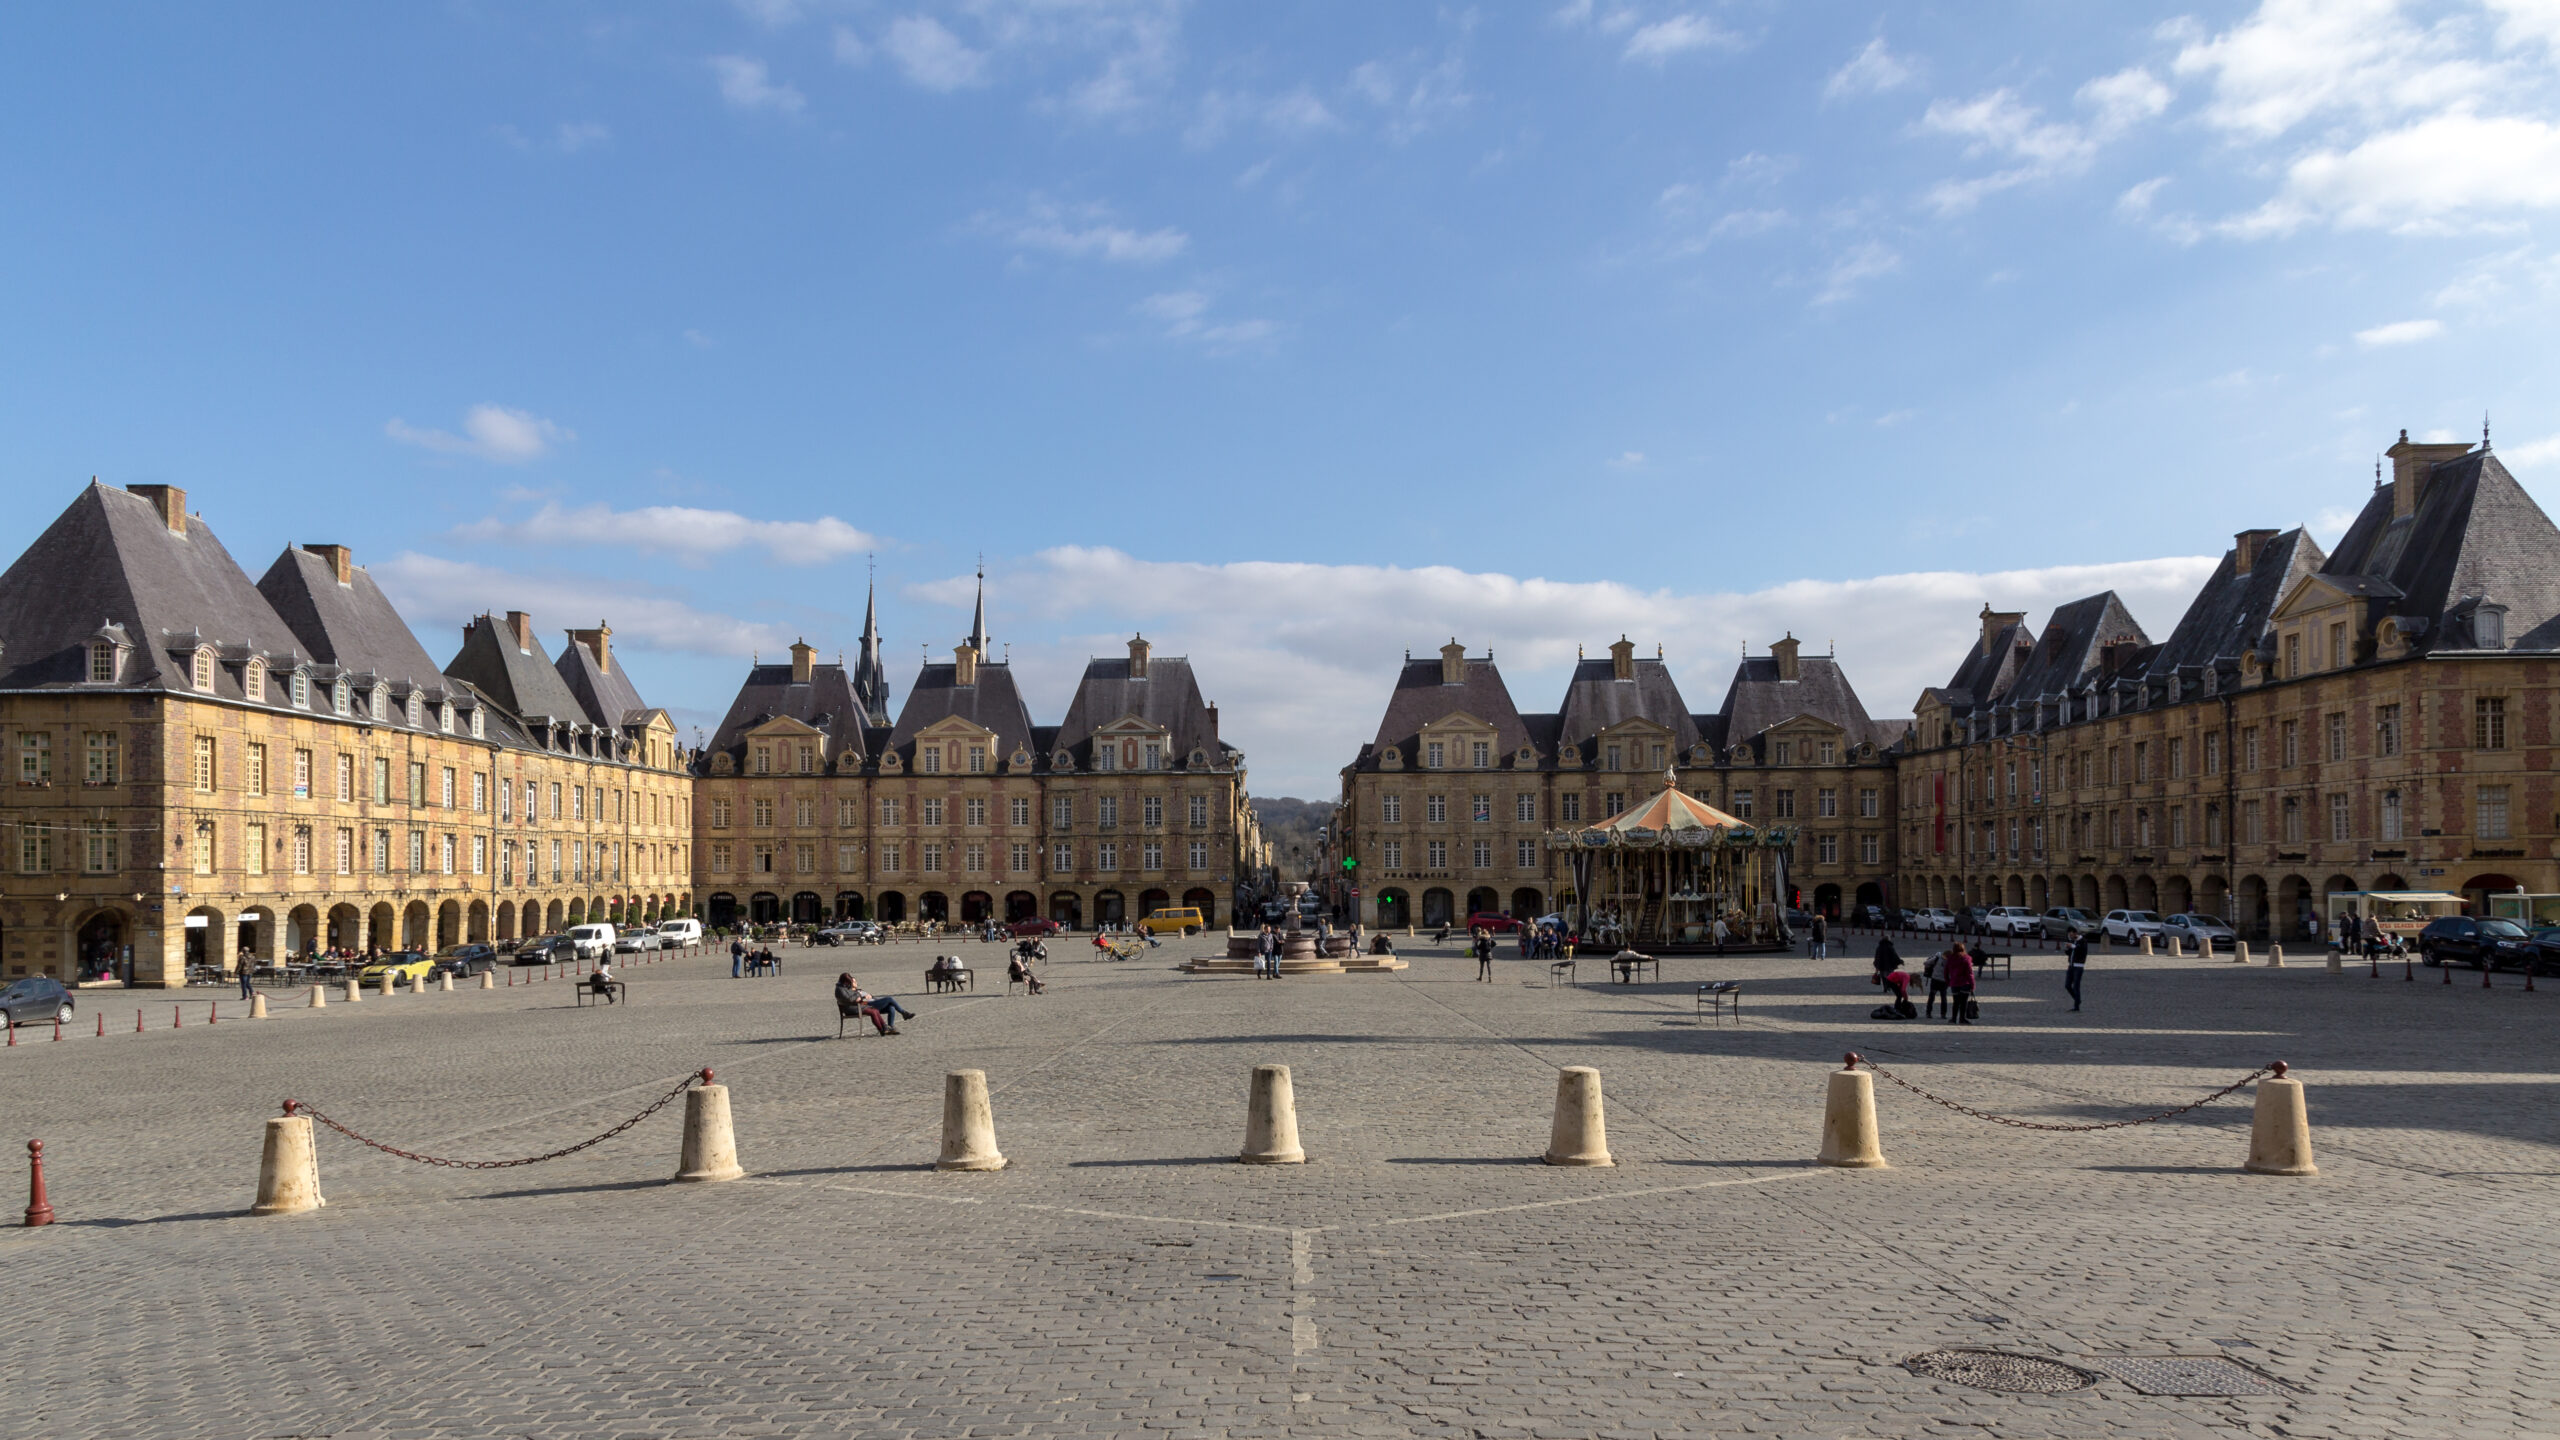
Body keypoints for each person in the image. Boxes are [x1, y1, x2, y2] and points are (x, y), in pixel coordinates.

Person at [1943, 943, 1976, 1025]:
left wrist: (1948, 981)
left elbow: (1946, 971)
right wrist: (1972, 984)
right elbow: (1969, 973)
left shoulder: (1950, 959)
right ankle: (1962, 1018)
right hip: (1965, 983)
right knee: (1963, 1002)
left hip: (1954, 983)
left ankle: (1954, 1018)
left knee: (1956, 1002)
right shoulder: (1966, 958)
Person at [1922, 948, 1949, 1018]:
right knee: (1943, 998)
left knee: (1931, 997)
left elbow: (1926, 963)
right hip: (1944, 981)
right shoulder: (1951, 961)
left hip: (1935, 980)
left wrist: (1933, 969)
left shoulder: (1937, 958)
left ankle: (1928, 1012)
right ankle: (1943, 1014)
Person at [2064, 932, 2088, 1011]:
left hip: (2078, 966)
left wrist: (2072, 946)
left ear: (2075, 934)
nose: (2070, 937)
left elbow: (2080, 950)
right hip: (2071, 966)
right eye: (2069, 935)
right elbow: (2069, 953)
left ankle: (2076, 1006)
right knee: (2067, 985)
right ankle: (2077, 999)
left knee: (2076, 986)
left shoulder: (2083, 941)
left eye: (2071, 935)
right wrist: (2067, 948)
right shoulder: (2073, 941)